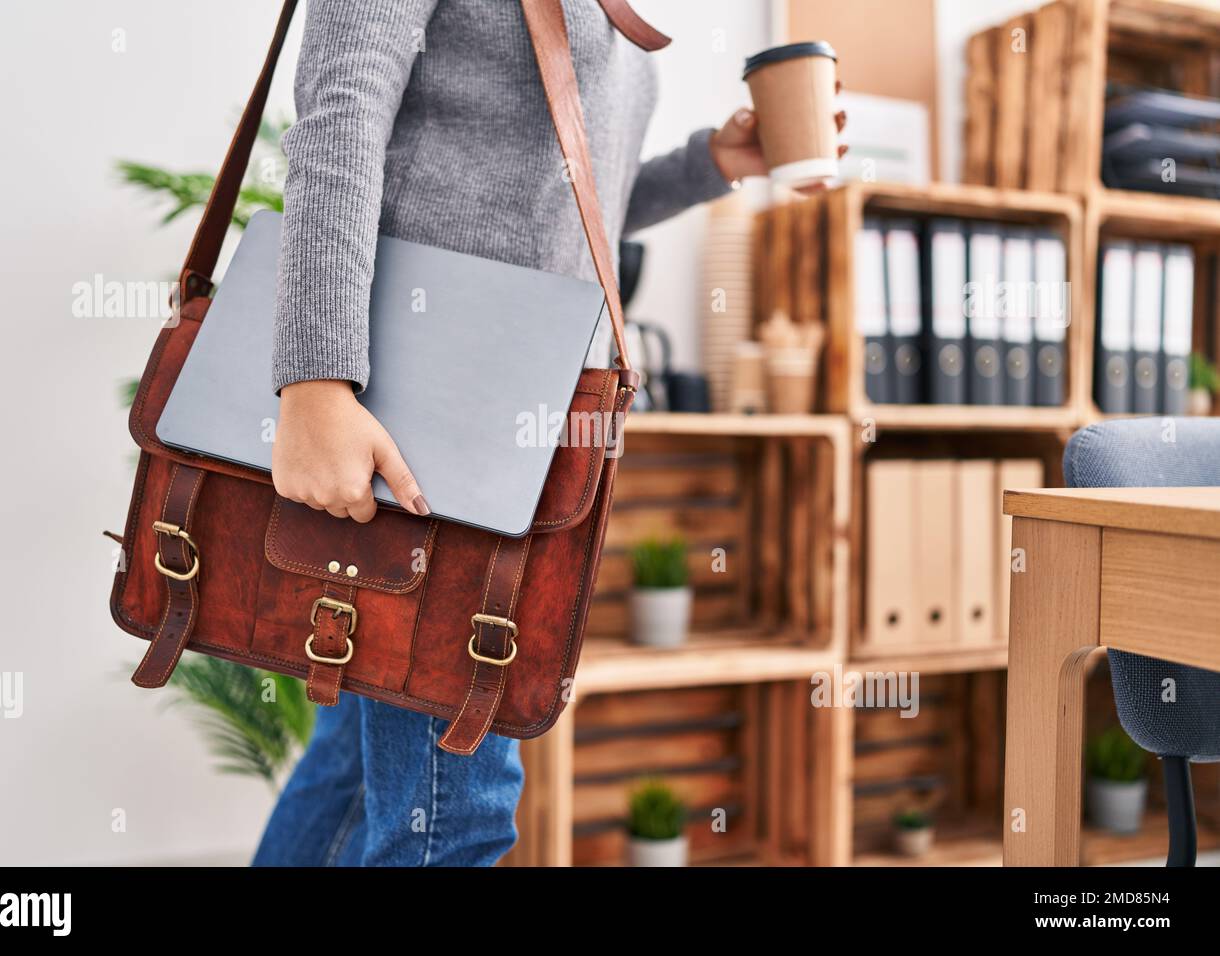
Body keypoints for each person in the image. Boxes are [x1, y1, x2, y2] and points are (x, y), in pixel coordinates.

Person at [252, 0, 844, 867]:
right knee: (454, 819)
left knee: (357, 778)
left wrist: (712, 163)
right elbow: (342, 112)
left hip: (517, 428)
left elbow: (568, 202)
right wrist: (316, 380)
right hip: (429, 422)